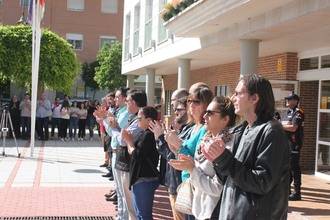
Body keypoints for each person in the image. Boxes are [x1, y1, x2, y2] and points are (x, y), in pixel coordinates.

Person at [202, 74, 290, 220]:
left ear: (254, 98)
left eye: (238, 93)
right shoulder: (241, 130)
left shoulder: (272, 131)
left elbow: (262, 182)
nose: (233, 98)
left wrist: (224, 159)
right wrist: (216, 158)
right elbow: (230, 176)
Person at [170, 96, 236, 220]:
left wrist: (192, 169)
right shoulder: (206, 139)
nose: (204, 116)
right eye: (205, 112)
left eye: (210, 113)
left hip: (214, 212)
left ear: (225, 119)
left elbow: (217, 188)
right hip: (199, 209)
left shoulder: (227, 145)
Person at [149, 95, 193, 220]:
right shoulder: (182, 129)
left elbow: (174, 157)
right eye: (174, 109)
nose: (175, 112)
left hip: (181, 185)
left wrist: (160, 138)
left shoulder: (190, 131)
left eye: (179, 109)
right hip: (174, 183)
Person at [122, 106, 160, 220]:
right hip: (142, 179)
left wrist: (129, 141)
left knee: (143, 215)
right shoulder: (145, 133)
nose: (137, 121)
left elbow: (136, 155)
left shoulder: (149, 135)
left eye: (139, 118)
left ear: (148, 120)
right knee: (140, 214)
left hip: (144, 180)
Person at [282, 92, 304, 201]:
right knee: (288, 168)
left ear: (295, 101)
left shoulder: (298, 112)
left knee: (294, 168)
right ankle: (287, 189)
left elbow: (294, 128)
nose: (287, 101)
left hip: (295, 145)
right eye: (287, 99)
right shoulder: (288, 112)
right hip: (287, 145)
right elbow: (286, 125)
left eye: (289, 99)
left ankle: (297, 192)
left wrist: (280, 126)